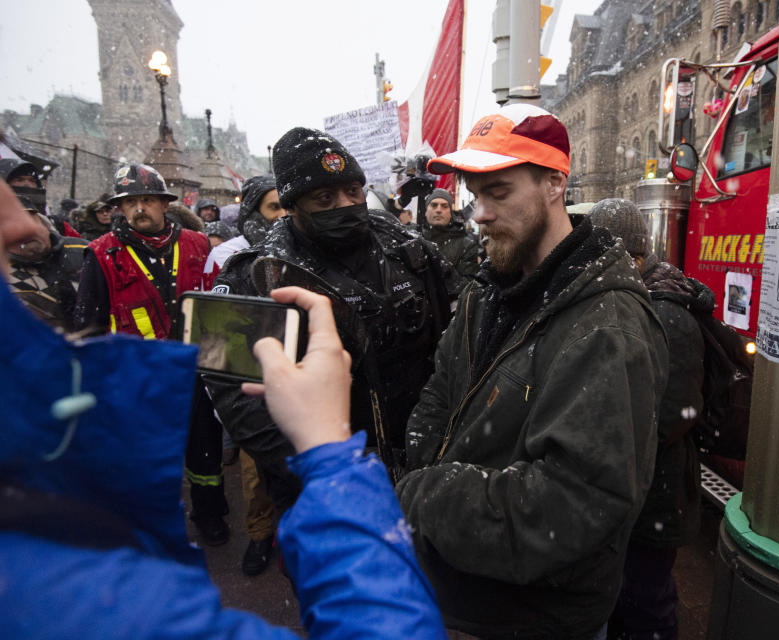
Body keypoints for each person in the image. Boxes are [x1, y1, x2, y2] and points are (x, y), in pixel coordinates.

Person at [0, 179, 446, 636]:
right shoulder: (62, 586)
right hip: (168, 388)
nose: (20, 221)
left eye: (148, 199)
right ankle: (237, 527)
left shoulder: (193, 245)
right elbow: (383, 624)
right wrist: (328, 456)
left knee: (204, 460)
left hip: (154, 389)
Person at [396, 104, 669, 638]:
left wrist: (422, 497)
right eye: (476, 195)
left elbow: (575, 503)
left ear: (553, 184)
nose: (479, 213)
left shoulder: (607, 323)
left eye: (498, 193)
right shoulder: (489, 288)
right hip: (461, 586)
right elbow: (442, 391)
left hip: (535, 615)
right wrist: (423, 465)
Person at [206, 129, 453, 487]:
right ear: (292, 206)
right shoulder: (254, 275)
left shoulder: (404, 245)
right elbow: (235, 399)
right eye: (324, 198)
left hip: (424, 459)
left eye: (353, 192)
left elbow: (455, 334)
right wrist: (323, 467)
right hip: (324, 478)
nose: (344, 205)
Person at [72, 163, 228, 547]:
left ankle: (209, 514)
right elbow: (87, 323)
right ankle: (157, 525)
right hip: (138, 378)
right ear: (119, 210)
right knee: (149, 459)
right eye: (129, 203)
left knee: (204, 451)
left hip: (197, 370)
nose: (139, 209)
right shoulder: (101, 254)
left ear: (163, 204)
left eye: (147, 200)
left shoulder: (197, 242)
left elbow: (219, 300)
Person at [589, 198, 712, 640]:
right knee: (619, 597)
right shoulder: (619, 300)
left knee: (647, 603)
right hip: (626, 487)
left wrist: (605, 434)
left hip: (657, 493)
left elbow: (676, 416)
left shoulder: (668, 314)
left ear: (636, 257)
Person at [201, 174, 285, 575]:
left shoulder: (315, 262)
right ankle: (259, 535)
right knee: (256, 482)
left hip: (306, 399)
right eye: (274, 207)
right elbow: (216, 354)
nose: (284, 216)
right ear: (252, 216)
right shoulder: (232, 268)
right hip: (255, 400)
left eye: (289, 205)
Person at [5, 190, 88, 332]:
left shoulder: (83, 250)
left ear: (43, 223)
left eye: (30, 220)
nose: (26, 230)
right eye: (14, 225)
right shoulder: (5, 276)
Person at [0, 158, 82, 238]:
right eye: (19, 180)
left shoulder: (57, 224)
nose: (27, 185)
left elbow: (81, 247)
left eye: (32, 180)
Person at [421, 187, 482, 290]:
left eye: (444, 206)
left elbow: (468, 287)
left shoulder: (467, 245)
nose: (439, 210)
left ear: (450, 213)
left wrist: (444, 269)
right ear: (426, 211)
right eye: (434, 205)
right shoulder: (413, 238)